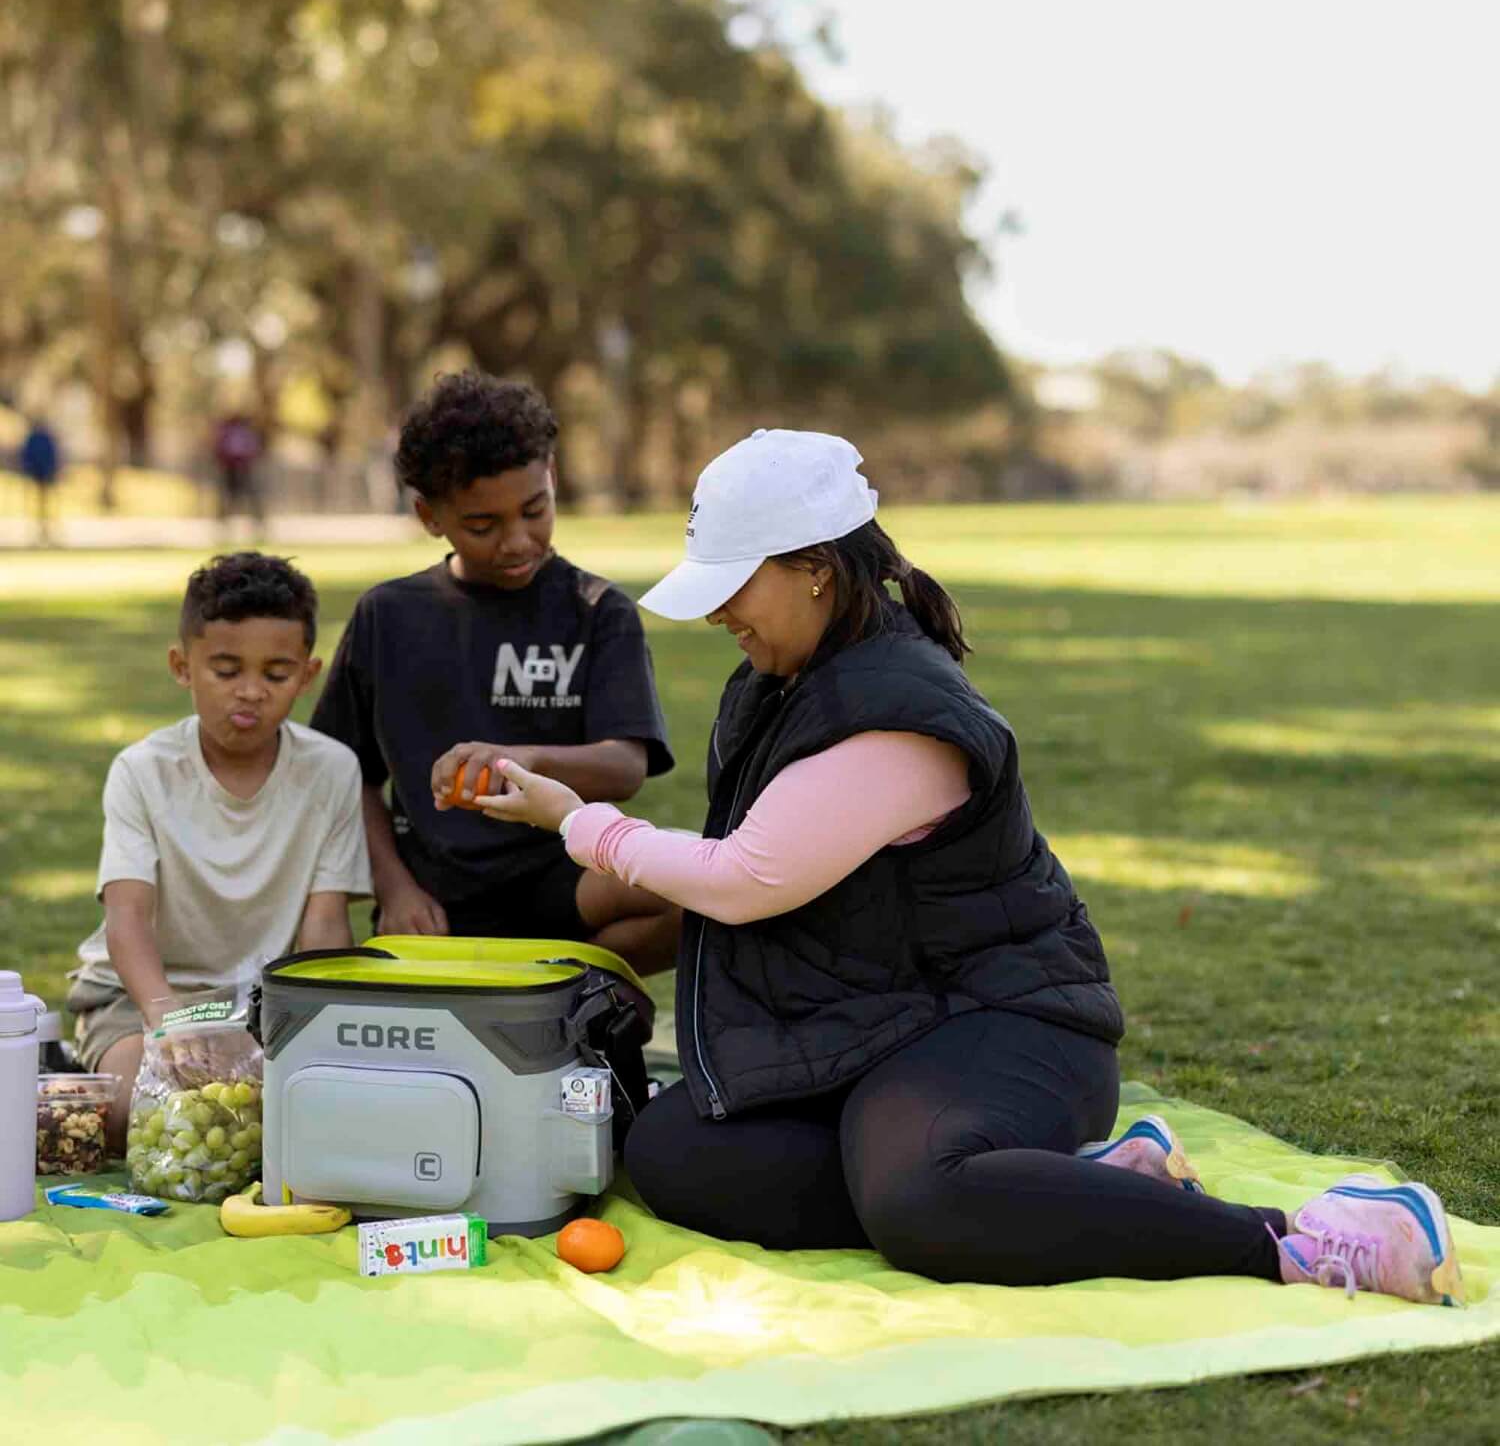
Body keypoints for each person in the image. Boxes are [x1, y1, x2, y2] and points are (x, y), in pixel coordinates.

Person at [462, 428, 1466, 1306]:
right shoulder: (790, 677)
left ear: (814, 566)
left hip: (1007, 1023)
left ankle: (1295, 1241)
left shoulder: (896, 714)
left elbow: (744, 879)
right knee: (681, 1153)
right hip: (888, 1023)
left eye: (735, 586)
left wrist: (577, 822)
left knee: (920, 1198)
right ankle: (1059, 1191)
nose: (721, 614)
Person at [313, 370, 679, 971]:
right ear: (430, 515)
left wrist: (526, 759)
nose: (516, 540)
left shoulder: (596, 610)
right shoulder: (388, 614)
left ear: (553, 478)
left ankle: (575, 991)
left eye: (535, 510)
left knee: (692, 891)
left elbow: (626, 765)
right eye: (483, 525)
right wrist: (395, 888)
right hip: (436, 899)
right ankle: (538, 994)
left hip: (565, 876)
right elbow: (346, 774)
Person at [66, 552, 371, 1151]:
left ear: (307, 676)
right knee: (148, 1116)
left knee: (281, 1114)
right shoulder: (142, 771)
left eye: (276, 675)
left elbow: (326, 923)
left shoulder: (332, 770)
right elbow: (126, 916)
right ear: (183, 667)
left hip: (261, 1007)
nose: (251, 692)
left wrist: (320, 1030)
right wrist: (167, 1019)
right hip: (139, 999)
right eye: (227, 670)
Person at [212, 411, 266, 528]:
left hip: (242, 467)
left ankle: (257, 520)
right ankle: (223, 520)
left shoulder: (238, 431)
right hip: (231, 467)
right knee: (230, 495)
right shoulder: (232, 431)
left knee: (245, 495)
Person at [19, 417, 62, 546]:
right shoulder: (34, 437)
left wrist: (51, 471)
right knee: (36, 505)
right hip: (37, 475)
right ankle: (38, 532)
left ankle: (50, 532)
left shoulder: (44, 437)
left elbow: (52, 455)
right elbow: (27, 456)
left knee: (49, 505)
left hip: (45, 475)